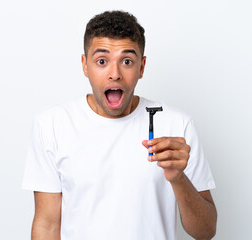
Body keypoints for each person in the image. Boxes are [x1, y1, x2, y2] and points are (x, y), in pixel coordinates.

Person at [22, 10, 217, 240]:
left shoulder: (177, 125)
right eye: (102, 61)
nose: (114, 74)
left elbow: (205, 232)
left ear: (141, 67)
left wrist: (178, 178)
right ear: (85, 65)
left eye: (126, 61)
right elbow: (47, 225)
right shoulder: (52, 125)